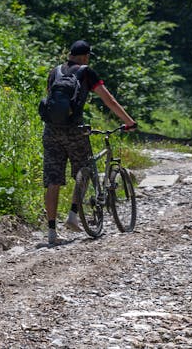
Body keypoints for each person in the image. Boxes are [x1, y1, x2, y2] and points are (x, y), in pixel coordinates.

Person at [42, 40, 137, 246]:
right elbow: (108, 99)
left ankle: (51, 232)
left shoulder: (54, 71)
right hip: (75, 130)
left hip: (50, 131)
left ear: (70, 54)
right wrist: (128, 121)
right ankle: (73, 215)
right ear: (85, 56)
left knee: (52, 180)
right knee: (84, 169)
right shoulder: (86, 72)